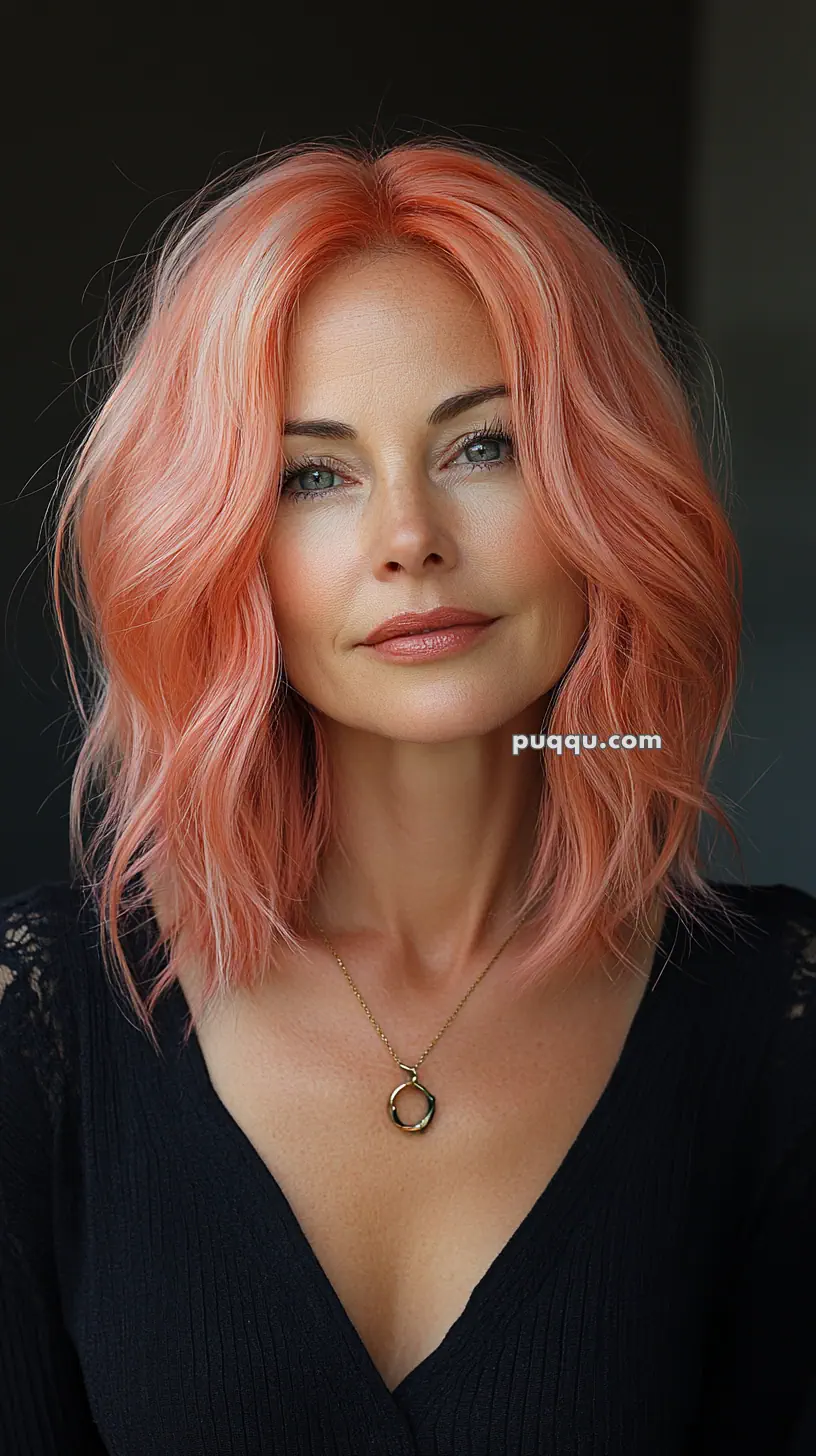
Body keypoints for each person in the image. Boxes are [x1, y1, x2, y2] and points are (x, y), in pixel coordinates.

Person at [1, 133, 815, 1456]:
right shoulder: (41, 1030)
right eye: (312, 474)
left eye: (482, 445)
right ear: (223, 548)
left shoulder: (779, 1028)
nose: (410, 538)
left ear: (599, 488)